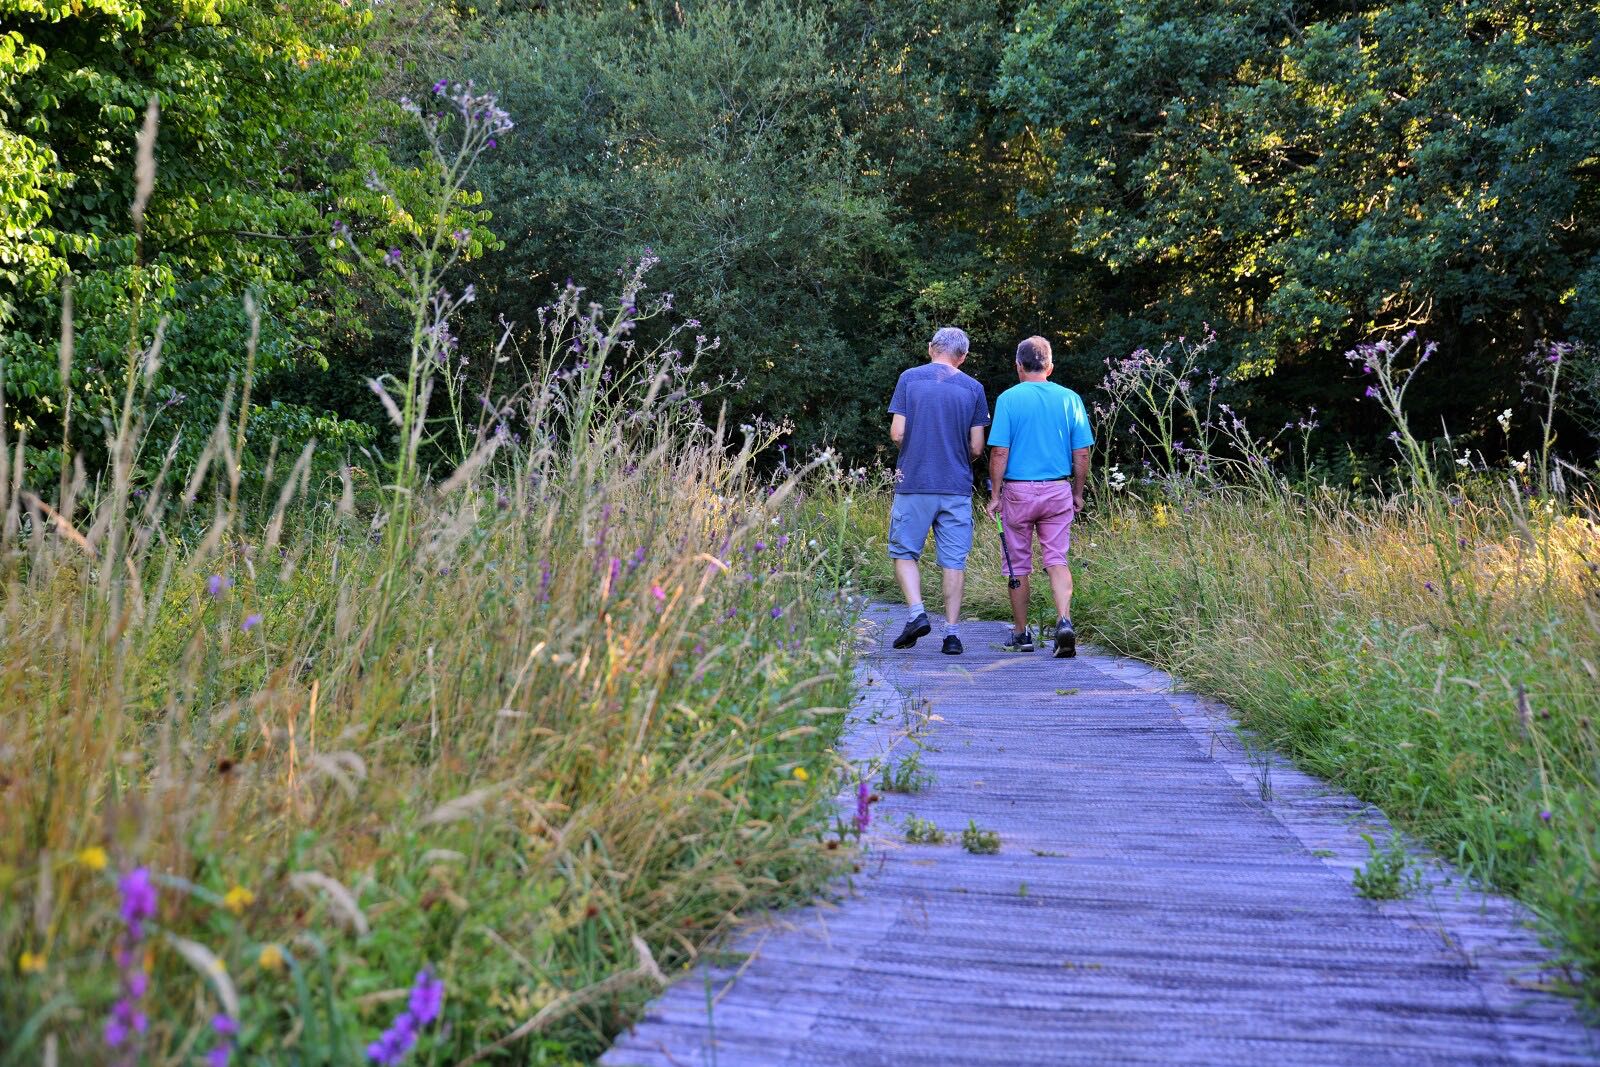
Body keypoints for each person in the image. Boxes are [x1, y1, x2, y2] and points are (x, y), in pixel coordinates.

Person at [984, 335, 1093, 657]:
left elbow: (999, 451)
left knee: (1018, 564)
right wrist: (1078, 492)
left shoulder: (1008, 399)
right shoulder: (1070, 398)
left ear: (1018, 366)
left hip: (1018, 491)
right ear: (1050, 366)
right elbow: (1082, 453)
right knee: (1056, 558)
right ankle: (1064, 621)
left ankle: (1021, 634)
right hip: (1058, 490)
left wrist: (995, 495)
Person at [886, 326, 990, 655]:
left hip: (914, 481)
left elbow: (898, 433)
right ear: (963, 357)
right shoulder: (974, 388)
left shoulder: (909, 379)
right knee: (954, 561)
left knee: (904, 552)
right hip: (956, 486)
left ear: (931, 347)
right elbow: (977, 447)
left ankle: (917, 613)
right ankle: (952, 634)